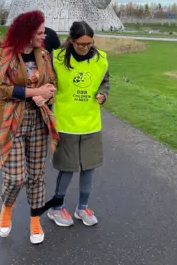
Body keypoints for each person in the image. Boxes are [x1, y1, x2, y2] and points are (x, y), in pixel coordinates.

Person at [0, 10, 61, 245]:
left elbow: (53, 82)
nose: (43, 35)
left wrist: (47, 95)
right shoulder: (2, 54)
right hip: (11, 120)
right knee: (16, 177)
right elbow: (3, 88)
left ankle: (35, 219)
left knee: (37, 176)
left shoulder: (44, 54)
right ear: (26, 33)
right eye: (38, 32)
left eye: (43, 31)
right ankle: (7, 208)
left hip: (38, 120)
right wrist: (37, 92)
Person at [46, 21, 110, 228]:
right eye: (80, 44)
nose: (85, 48)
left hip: (91, 123)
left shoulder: (101, 60)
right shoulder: (56, 58)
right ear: (71, 41)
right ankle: (56, 208)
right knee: (67, 168)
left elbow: (104, 82)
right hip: (66, 123)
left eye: (89, 43)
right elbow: (47, 83)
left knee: (89, 168)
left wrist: (103, 94)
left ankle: (82, 207)